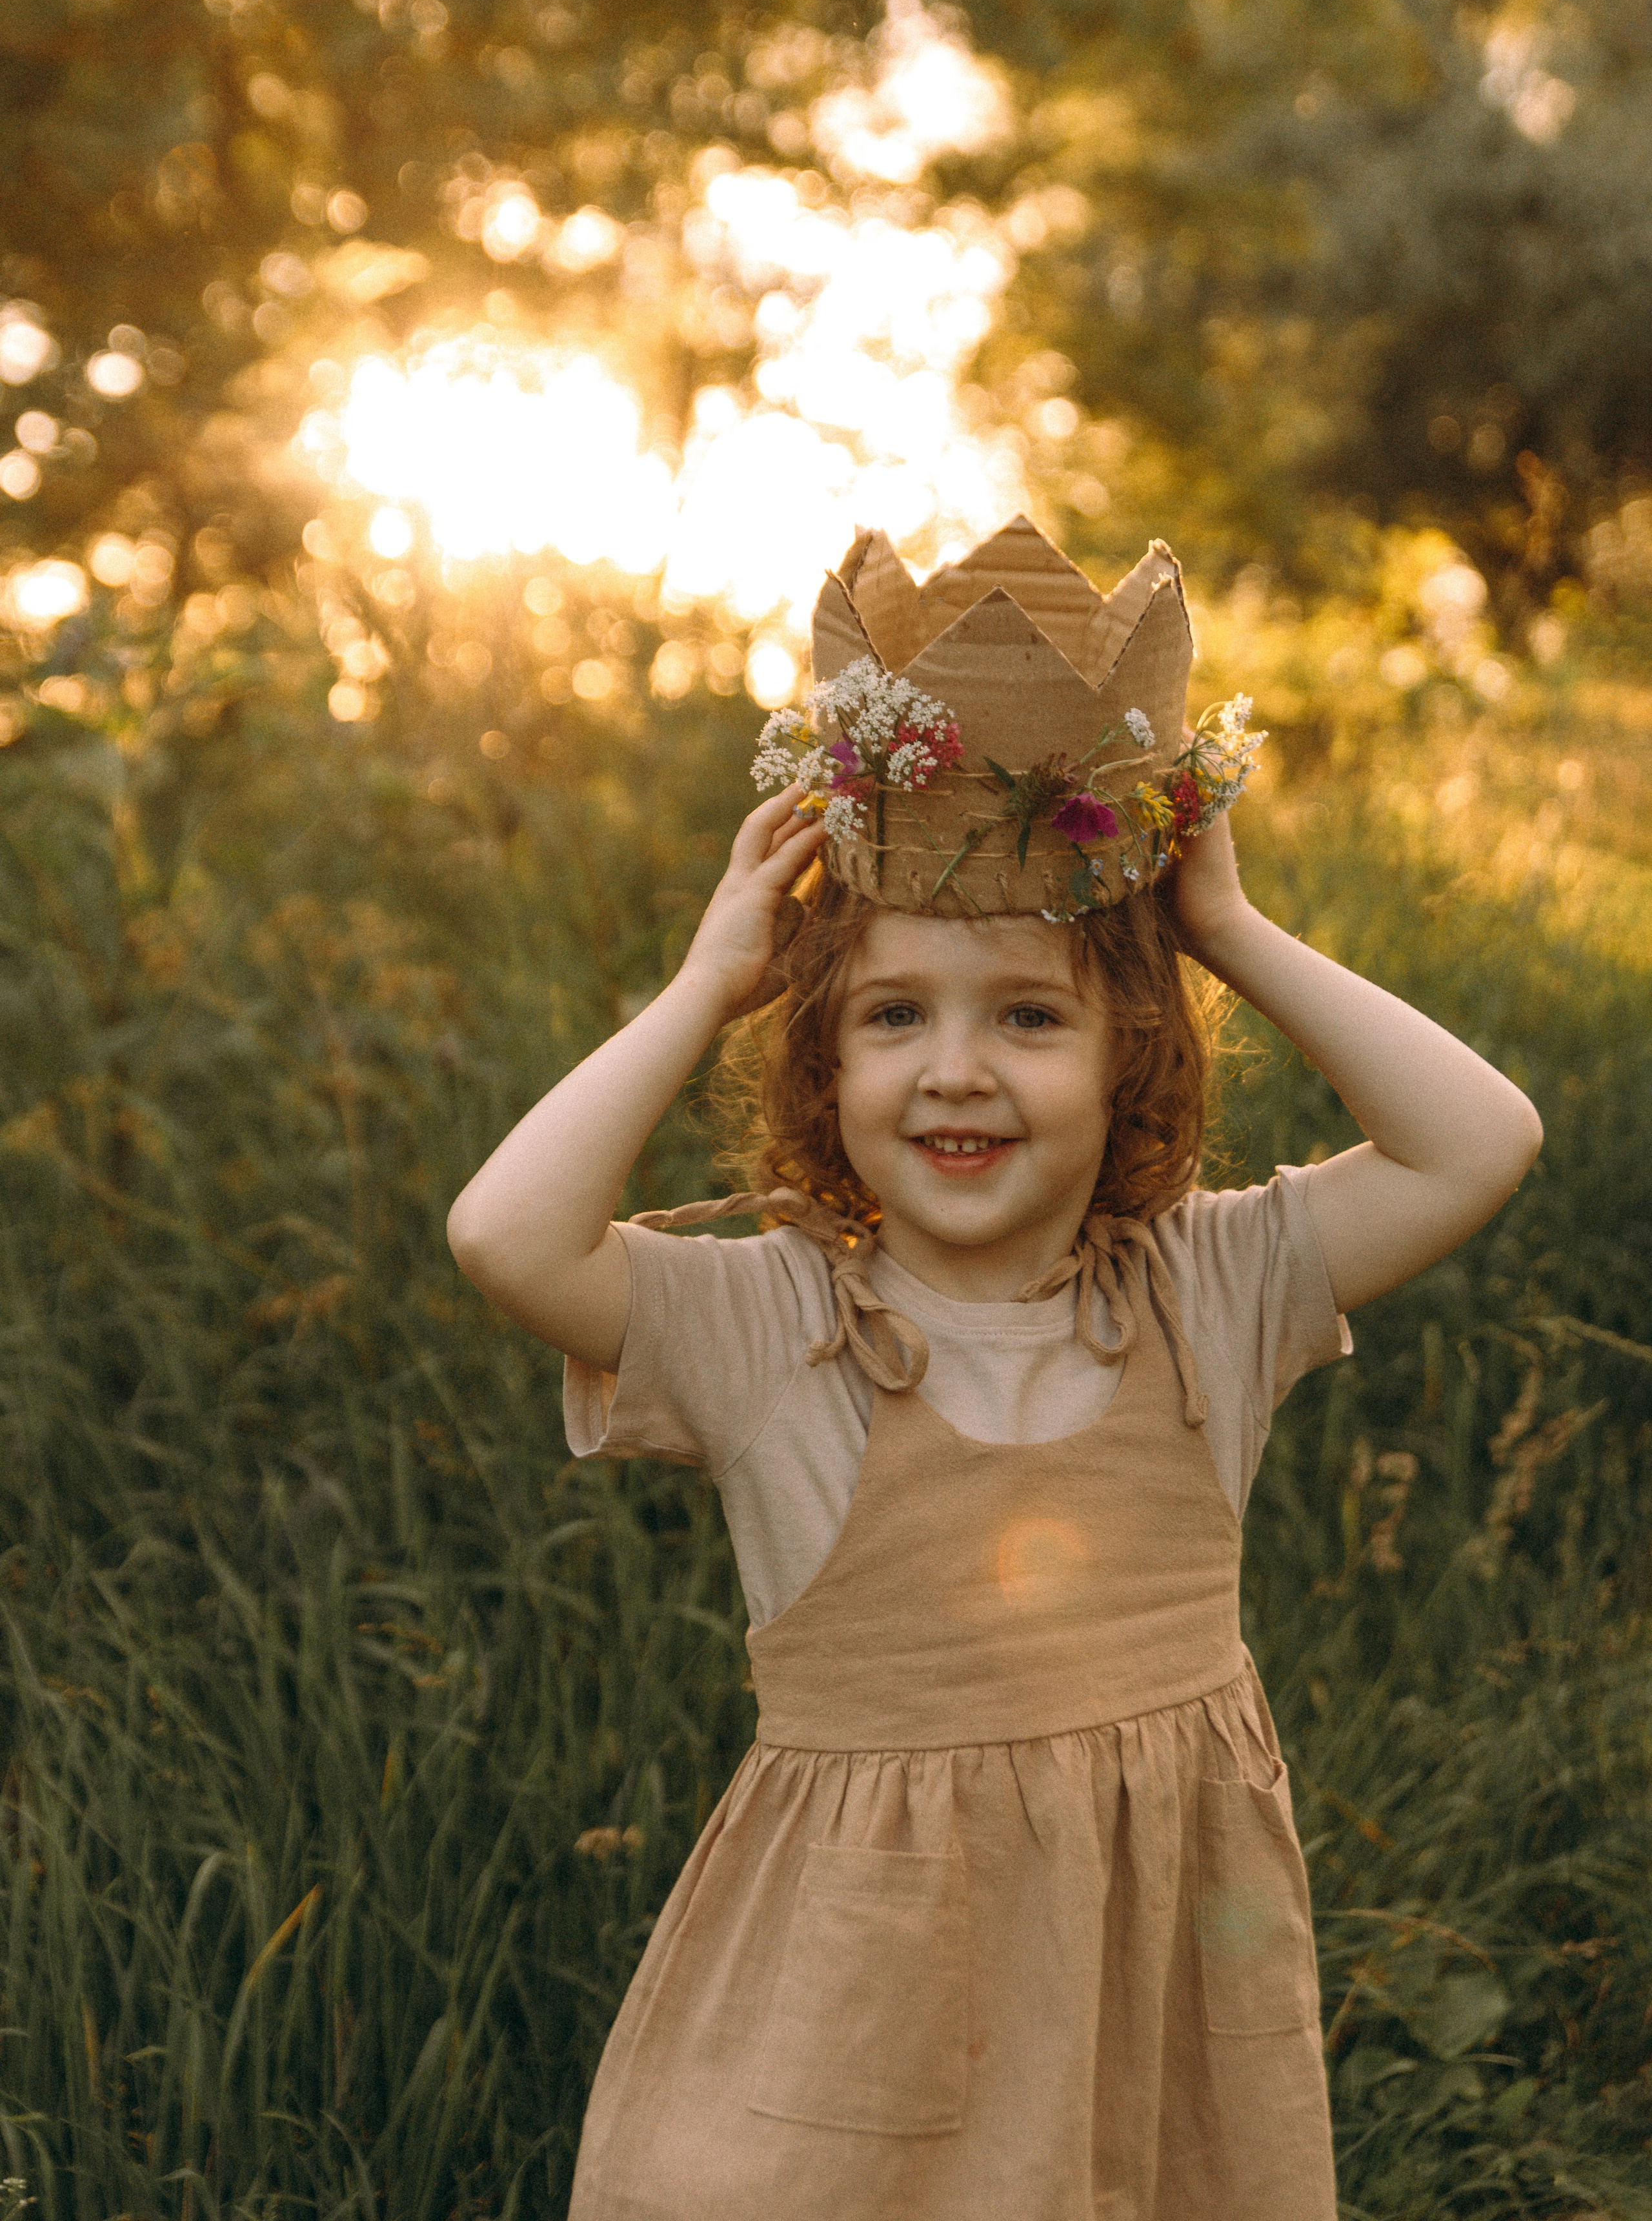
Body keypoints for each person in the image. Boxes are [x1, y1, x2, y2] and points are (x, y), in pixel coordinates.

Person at [447, 520, 1542, 2221]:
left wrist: (1228, 927)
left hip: (1149, 2019)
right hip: (857, 2032)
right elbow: (507, 1239)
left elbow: (1480, 1142)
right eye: (893, 1018)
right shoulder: (777, 1324)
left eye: (1029, 1017)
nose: (956, 1071)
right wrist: (704, 986)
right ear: (823, 1058)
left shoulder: (1210, 1286)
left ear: (1133, 1056)